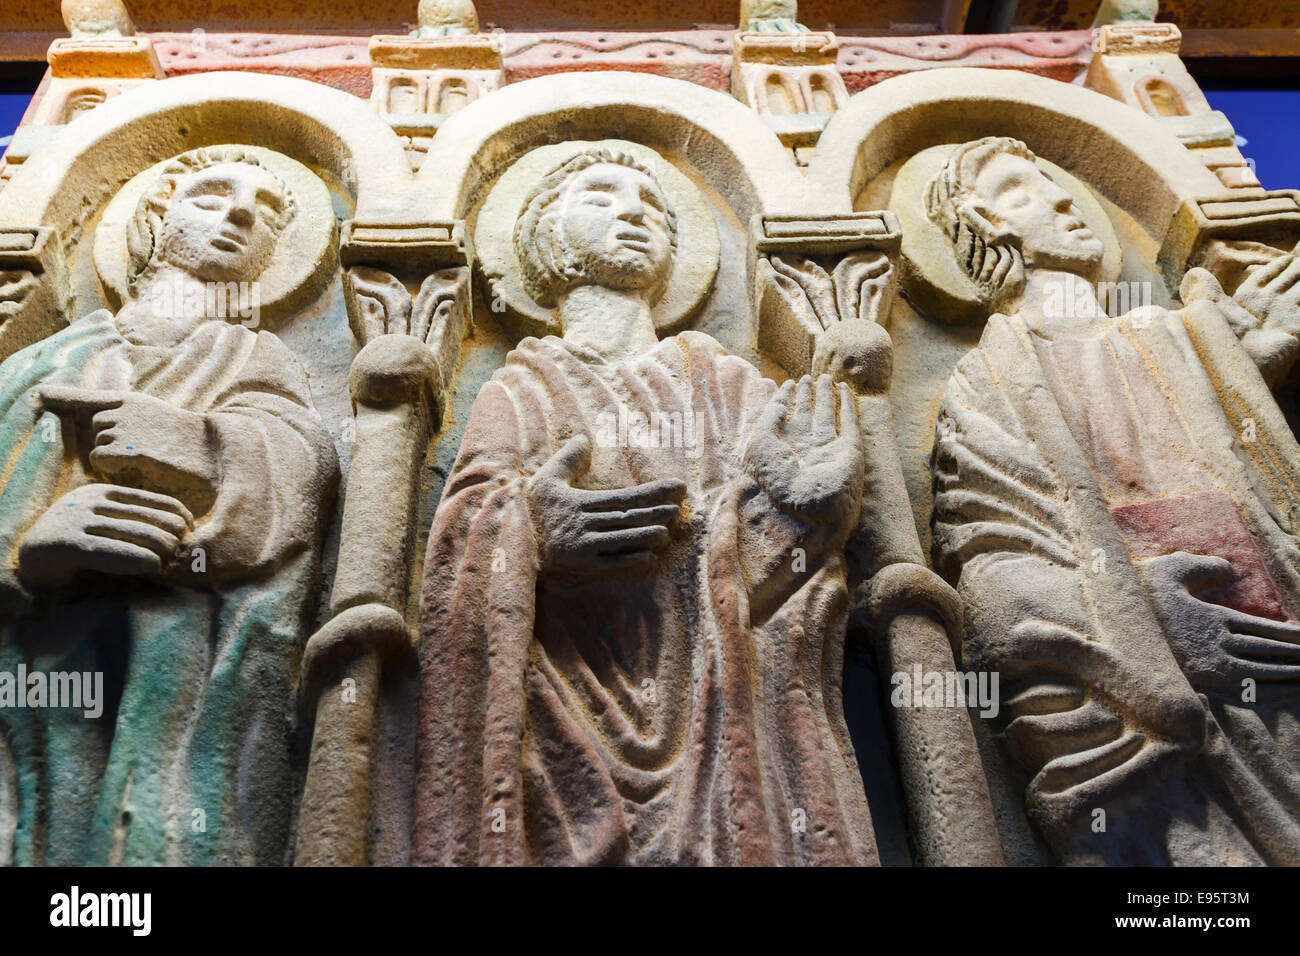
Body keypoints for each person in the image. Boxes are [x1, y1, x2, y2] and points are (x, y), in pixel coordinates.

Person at [413, 148, 877, 865]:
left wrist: (814, 512)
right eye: (600, 196)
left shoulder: (726, 382)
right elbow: (460, 551)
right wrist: (530, 530)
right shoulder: (523, 387)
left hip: (725, 711)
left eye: (653, 206)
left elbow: (796, 545)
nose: (634, 211)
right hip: (567, 702)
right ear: (545, 235)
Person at [928, 136, 1300, 863]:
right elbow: (992, 575)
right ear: (985, 218)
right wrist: (1137, 607)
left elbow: (1255, 465)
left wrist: (1261, 361)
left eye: (1062, 184)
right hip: (1158, 711)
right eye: (1022, 190)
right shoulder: (991, 380)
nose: (1067, 199)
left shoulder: (1179, 334)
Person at [0, 146, 338, 865]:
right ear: (157, 215)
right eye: (212, 193)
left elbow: (299, 470)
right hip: (33, 676)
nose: (241, 214)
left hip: (183, 666)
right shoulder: (42, 362)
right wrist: (30, 549)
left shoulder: (255, 359)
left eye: (267, 212)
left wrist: (200, 445)